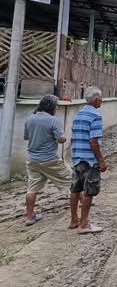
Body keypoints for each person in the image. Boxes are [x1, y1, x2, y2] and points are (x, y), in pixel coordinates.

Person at [23, 95, 72, 226]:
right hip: (50, 160)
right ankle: (85, 203)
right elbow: (61, 139)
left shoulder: (30, 119)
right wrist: (62, 137)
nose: (57, 108)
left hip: (32, 160)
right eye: (56, 106)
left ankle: (29, 217)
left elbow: (26, 137)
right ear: (51, 107)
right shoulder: (53, 120)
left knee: (32, 188)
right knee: (72, 179)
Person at [70, 86, 107, 234]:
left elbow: (73, 138)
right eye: (101, 98)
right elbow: (93, 141)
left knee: (75, 189)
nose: (102, 100)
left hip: (77, 157)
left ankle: (74, 219)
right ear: (97, 99)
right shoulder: (95, 116)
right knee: (89, 192)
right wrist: (101, 161)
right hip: (90, 160)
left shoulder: (78, 114)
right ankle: (84, 224)